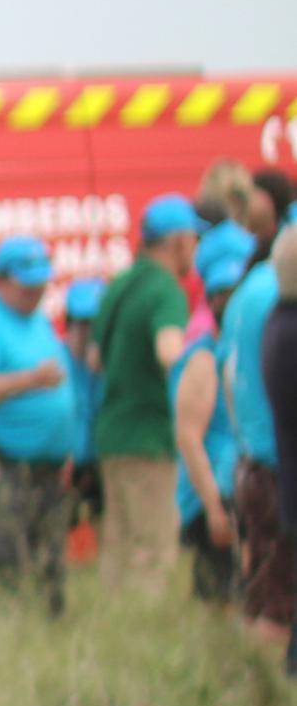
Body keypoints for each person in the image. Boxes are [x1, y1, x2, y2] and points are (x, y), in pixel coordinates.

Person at [0, 236, 83, 614]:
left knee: (47, 558)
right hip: (0, 462)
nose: (35, 291)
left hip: (44, 468)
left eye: (41, 282)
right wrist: (30, 381)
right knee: (3, 557)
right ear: (0, 281)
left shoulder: (38, 322)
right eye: (26, 283)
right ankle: (2, 627)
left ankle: (47, 624)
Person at [92, 196, 200, 591]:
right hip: (149, 438)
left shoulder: (119, 286)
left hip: (113, 433)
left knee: (119, 548)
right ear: (177, 243)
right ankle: (146, 630)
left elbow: (93, 358)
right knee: (154, 550)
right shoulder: (165, 291)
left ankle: (116, 630)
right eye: (194, 239)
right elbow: (169, 351)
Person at [175, 219, 256, 600]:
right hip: (216, 495)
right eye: (219, 293)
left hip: (241, 489)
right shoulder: (204, 358)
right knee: (222, 598)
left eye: (233, 291)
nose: (226, 300)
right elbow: (189, 437)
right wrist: (212, 506)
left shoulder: (241, 348)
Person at [229, 227, 289, 644]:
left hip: (259, 458)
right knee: (278, 599)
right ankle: (262, 698)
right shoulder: (278, 310)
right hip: (275, 464)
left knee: (271, 586)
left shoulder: (252, 294)